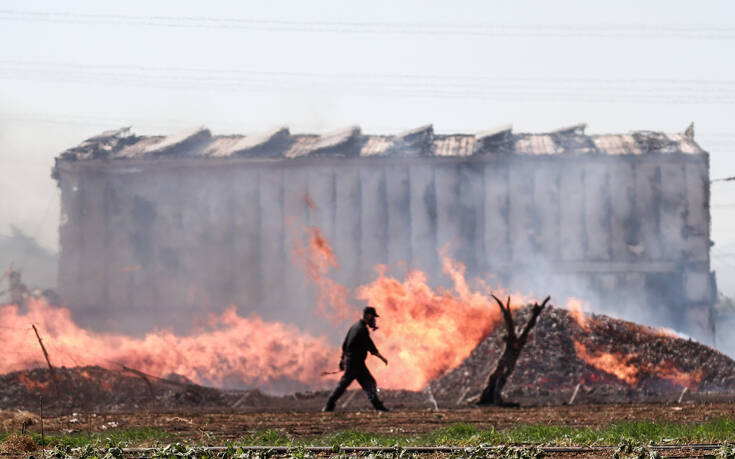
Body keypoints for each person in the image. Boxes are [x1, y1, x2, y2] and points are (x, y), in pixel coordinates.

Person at [322, 306, 389, 412]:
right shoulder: (361, 329)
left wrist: (342, 359)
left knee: (367, 383)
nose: (373, 319)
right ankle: (329, 404)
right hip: (355, 363)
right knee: (349, 384)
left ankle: (378, 406)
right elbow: (370, 346)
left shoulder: (354, 327)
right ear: (368, 315)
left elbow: (345, 344)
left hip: (355, 363)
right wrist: (382, 358)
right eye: (372, 316)